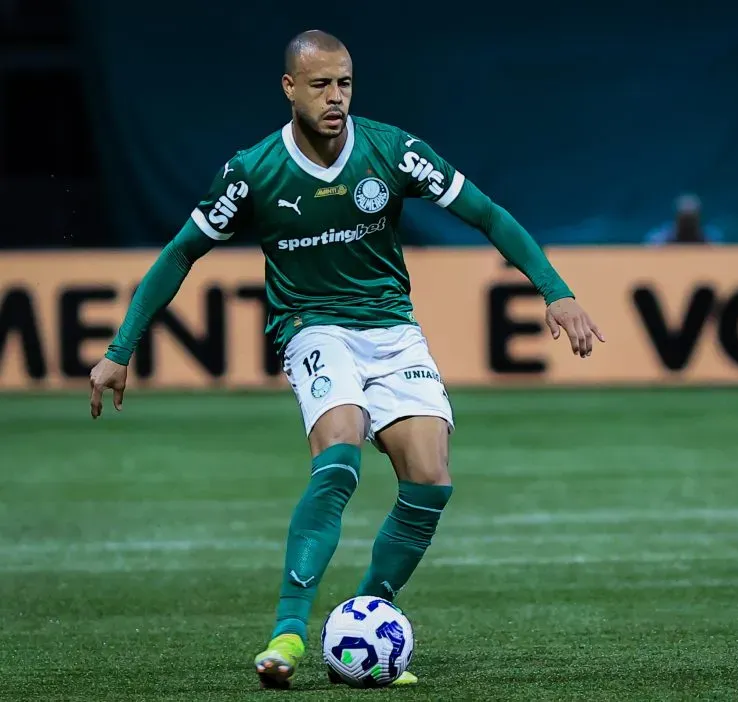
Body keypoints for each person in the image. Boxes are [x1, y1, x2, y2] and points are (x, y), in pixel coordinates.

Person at [87, 29, 604, 689]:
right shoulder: (253, 172)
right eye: (322, 85)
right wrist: (119, 349)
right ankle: (288, 632)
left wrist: (556, 292)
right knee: (340, 455)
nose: (337, 98)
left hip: (391, 329)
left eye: (345, 84)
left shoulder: (394, 151)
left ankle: (366, 618)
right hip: (311, 325)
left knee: (430, 478)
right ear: (289, 88)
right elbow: (181, 252)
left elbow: (489, 215)